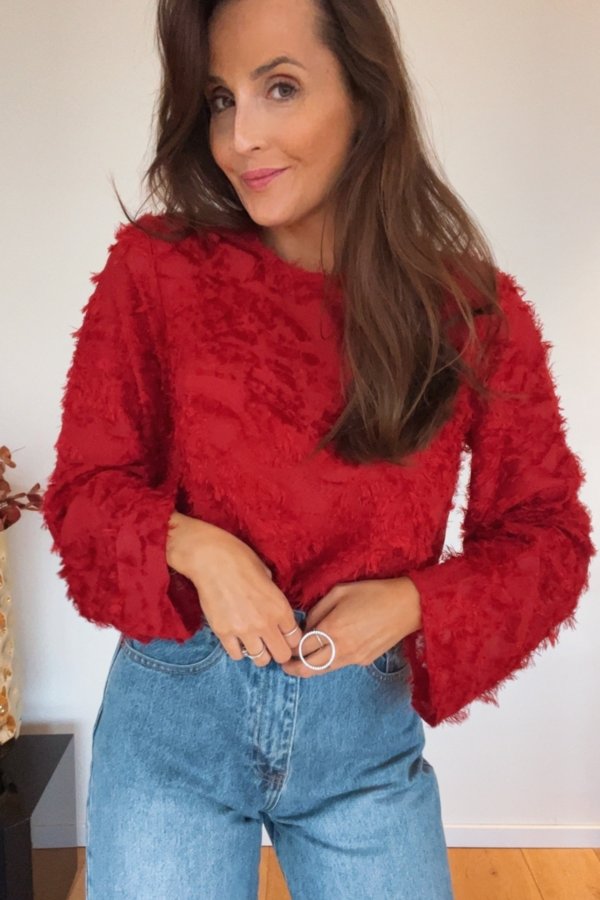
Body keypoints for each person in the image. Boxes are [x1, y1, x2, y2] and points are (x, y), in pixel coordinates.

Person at [41, 0, 595, 898]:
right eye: (221, 99)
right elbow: (83, 492)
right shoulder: (157, 271)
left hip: (360, 750)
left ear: (365, 97)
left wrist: (412, 602)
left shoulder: (470, 313)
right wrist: (197, 547)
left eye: (281, 88)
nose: (240, 139)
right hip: (174, 731)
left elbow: (548, 536)